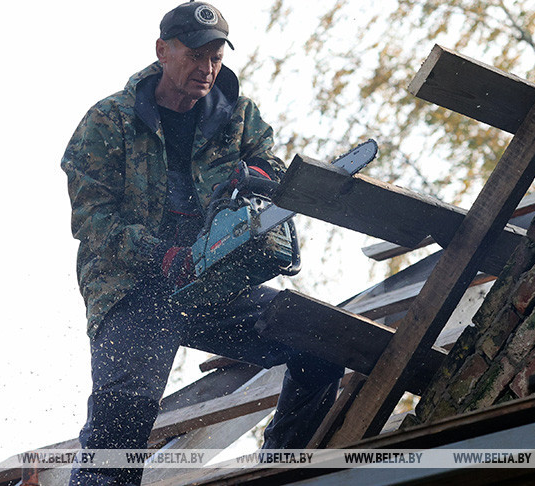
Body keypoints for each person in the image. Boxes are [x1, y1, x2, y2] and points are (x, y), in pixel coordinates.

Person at [61, 3, 343, 484]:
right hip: (134, 292)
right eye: (195, 55)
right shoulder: (108, 121)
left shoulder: (237, 114)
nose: (206, 68)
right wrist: (161, 255)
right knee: (120, 428)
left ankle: (277, 470)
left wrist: (256, 178)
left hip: (215, 285)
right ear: (163, 51)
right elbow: (94, 220)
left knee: (322, 348)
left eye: (214, 57)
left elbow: (269, 165)